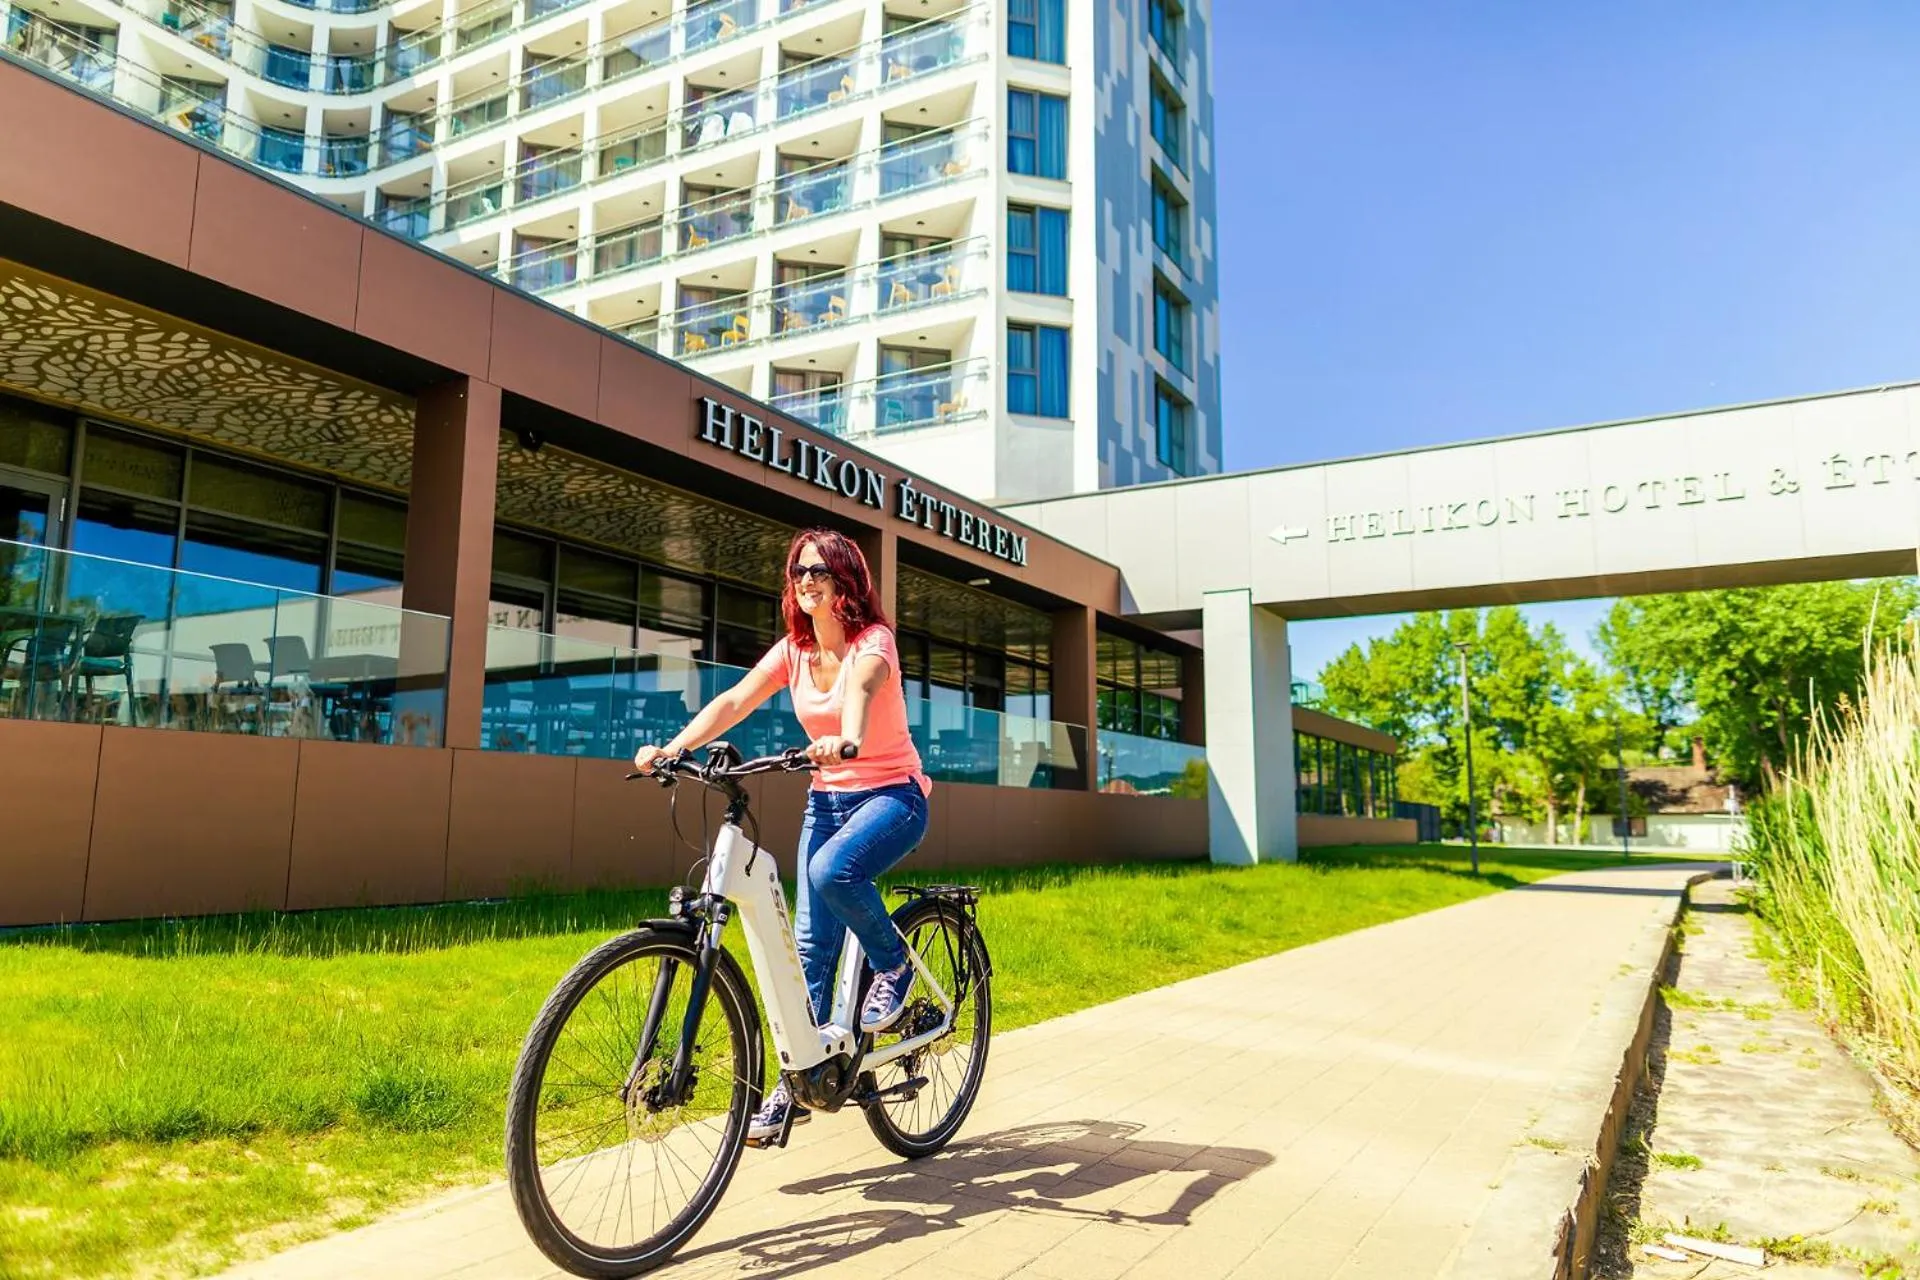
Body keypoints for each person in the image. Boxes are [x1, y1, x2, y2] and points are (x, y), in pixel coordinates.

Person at [632, 528, 931, 1142]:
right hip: (828, 800)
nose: (806, 580)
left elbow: (862, 688)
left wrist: (846, 739)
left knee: (832, 871)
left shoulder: (874, 641)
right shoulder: (794, 650)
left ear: (845, 580)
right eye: (799, 571)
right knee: (808, 947)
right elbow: (736, 700)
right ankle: (800, 1082)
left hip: (892, 796)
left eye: (819, 570)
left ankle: (894, 966)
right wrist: (674, 748)